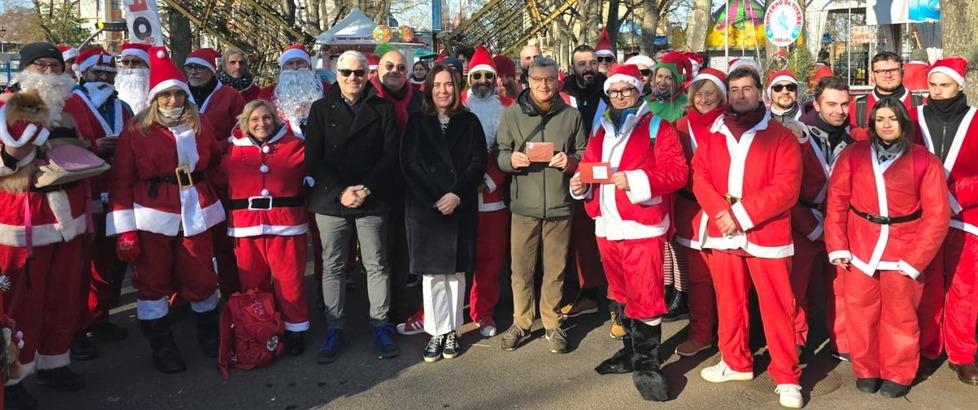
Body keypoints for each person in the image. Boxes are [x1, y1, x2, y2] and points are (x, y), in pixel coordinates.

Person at [570, 63, 687, 401]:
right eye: (614, 92)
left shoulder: (658, 128)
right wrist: (580, 183)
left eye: (626, 90)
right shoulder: (602, 130)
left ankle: (648, 364)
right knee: (619, 292)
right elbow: (589, 167)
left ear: (638, 91)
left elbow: (677, 173)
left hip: (641, 225)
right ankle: (630, 352)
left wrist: (636, 180)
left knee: (646, 295)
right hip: (607, 225)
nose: (620, 97)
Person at [107, 46, 225, 374]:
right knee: (153, 279)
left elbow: (216, 165)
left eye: (178, 94)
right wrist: (125, 230)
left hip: (196, 209)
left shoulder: (200, 124)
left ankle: (208, 332)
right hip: (153, 213)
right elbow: (122, 179)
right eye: (165, 95)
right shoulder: (137, 130)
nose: (173, 101)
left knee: (202, 274)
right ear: (155, 98)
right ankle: (161, 343)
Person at [692, 67, 803, 408]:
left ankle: (787, 376)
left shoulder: (780, 136)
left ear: (759, 93)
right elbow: (700, 176)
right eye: (735, 89)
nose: (740, 95)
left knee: (777, 306)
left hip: (765, 231)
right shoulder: (714, 132)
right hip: (723, 229)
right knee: (730, 301)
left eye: (747, 88)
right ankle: (735, 360)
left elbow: (786, 187)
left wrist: (740, 215)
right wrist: (720, 213)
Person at [824, 97, 949, 397]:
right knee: (860, 312)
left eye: (892, 118)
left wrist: (916, 257)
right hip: (860, 244)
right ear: (872, 124)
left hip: (904, 246)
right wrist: (838, 245)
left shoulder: (925, 160)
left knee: (901, 314)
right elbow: (837, 202)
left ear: (903, 122)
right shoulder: (854, 155)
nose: (886, 124)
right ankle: (866, 369)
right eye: (880, 119)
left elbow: (937, 215)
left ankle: (898, 372)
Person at [0, 42, 92, 409]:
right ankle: (12, 376)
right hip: (23, 218)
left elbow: (85, 144)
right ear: (26, 69)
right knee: (19, 301)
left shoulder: (72, 107)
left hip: (68, 215)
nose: (51, 72)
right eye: (41, 65)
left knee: (62, 295)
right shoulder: (7, 106)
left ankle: (55, 362)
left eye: (56, 66)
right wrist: (17, 157)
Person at [304, 50, 400, 363]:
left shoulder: (383, 109)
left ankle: (380, 324)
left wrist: (366, 189)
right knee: (333, 265)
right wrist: (340, 191)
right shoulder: (320, 109)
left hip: (371, 196)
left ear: (368, 75)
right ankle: (335, 327)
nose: (353, 78)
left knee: (376, 264)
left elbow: (391, 155)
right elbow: (313, 157)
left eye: (359, 72)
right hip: (332, 200)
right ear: (337, 74)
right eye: (346, 72)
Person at [494, 57, 586, 354]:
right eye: (537, 80)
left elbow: (584, 152)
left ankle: (551, 321)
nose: (544, 85)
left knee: (555, 269)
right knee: (521, 269)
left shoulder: (572, 115)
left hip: (560, 204)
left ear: (558, 81)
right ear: (528, 81)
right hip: (524, 205)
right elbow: (500, 152)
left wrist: (570, 161)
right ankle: (521, 321)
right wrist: (511, 160)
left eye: (549, 79)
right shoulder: (512, 115)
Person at [401, 64, 487, 362]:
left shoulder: (470, 121)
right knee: (432, 275)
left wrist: (456, 194)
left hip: (459, 204)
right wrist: (436, 198)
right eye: (437, 85)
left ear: (457, 87)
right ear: (428, 89)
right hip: (427, 208)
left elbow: (477, 162)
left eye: (448, 84)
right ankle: (435, 331)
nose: (443, 90)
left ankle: (452, 330)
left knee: (456, 273)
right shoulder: (417, 122)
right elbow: (409, 164)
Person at [225, 100, 310, 356]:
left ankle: (295, 329)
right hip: (245, 227)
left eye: (267, 118)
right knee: (252, 283)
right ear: (245, 122)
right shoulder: (230, 149)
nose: (261, 124)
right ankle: (258, 330)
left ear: (275, 119)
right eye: (254, 119)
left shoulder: (296, 145)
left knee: (289, 281)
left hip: (286, 225)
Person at [792, 76, 865, 363]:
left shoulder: (858, 138)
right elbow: (785, 187)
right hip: (802, 218)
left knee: (841, 285)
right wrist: (809, 226)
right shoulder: (796, 134)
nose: (839, 111)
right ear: (817, 104)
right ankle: (795, 337)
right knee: (796, 285)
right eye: (831, 104)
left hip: (842, 221)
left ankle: (842, 339)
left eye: (844, 104)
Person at [916, 57, 978, 384]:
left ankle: (962, 354)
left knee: (965, 290)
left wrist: (953, 199)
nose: (937, 91)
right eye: (933, 84)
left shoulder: (977, 120)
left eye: (945, 85)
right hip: (922, 219)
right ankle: (927, 350)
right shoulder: (913, 119)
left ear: (959, 86)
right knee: (927, 288)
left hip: (966, 218)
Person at [70, 46, 134, 359]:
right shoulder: (69, 103)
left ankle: (100, 316)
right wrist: (93, 146)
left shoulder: (123, 106)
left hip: (117, 192)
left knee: (109, 261)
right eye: (98, 72)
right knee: (79, 266)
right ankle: (74, 329)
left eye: (110, 73)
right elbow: (59, 145)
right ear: (83, 72)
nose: (104, 78)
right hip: (84, 193)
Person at [672, 67, 727, 357]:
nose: (704, 99)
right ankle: (701, 332)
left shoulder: (731, 124)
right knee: (697, 278)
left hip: (723, 211)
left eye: (710, 93)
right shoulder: (681, 126)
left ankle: (730, 336)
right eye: (699, 94)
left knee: (727, 279)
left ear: (721, 97)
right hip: (691, 209)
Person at [460, 46, 514, 337]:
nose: (483, 81)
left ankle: (483, 312)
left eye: (488, 76)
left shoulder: (507, 107)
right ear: (469, 78)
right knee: (452, 259)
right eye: (477, 75)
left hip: (493, 198)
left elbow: (511, 149)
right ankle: (442, 313)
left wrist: (492, 179)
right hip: (460, 196)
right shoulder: (457, 103)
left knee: (490, 260)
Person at [184, 48, 246, 297]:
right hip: (185, 179)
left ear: (212, 70)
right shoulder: (177, 94)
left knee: (223, 239)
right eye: (190, 68)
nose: (194, 73)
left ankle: (232, 293)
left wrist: (216, 149)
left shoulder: (230, 96)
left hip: (218, 175)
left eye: (200, 68)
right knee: (189, 240)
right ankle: (190, 294)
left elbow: (241, 132)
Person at [558, 44, 611, 336]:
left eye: (592, 62)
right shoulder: (562, 95)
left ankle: (616, 301)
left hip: (606, 175)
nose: (588, 68)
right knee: (579, 240)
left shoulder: (610, 92)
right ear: (573, 66)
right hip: (571, 175)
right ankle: (587, 291)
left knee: (608, 238)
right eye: (582, 64)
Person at [258, 45, 330, 139]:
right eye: (290, 63)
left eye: (300, 62)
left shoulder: (327, 89)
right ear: (283, 68)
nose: (295, 67)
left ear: (308, 65)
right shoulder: (267, 93)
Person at [849, 51, 923, 128]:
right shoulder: (856, 108)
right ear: (873, 75)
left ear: (902, 72)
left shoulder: (922, 104)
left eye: (894, 70)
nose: (888, 75)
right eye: (881, 71)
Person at [646, 52, 687, 123]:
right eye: (659, 76)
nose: (663, 82)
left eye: (669, 78)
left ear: (677, 81)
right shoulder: (645, 101)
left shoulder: (685, 103)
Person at [115, 42, 152, 115]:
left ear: (146, 64)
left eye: (136, 62)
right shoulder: (114, 85)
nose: (130, 66)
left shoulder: (156, 87)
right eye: (126, 62)